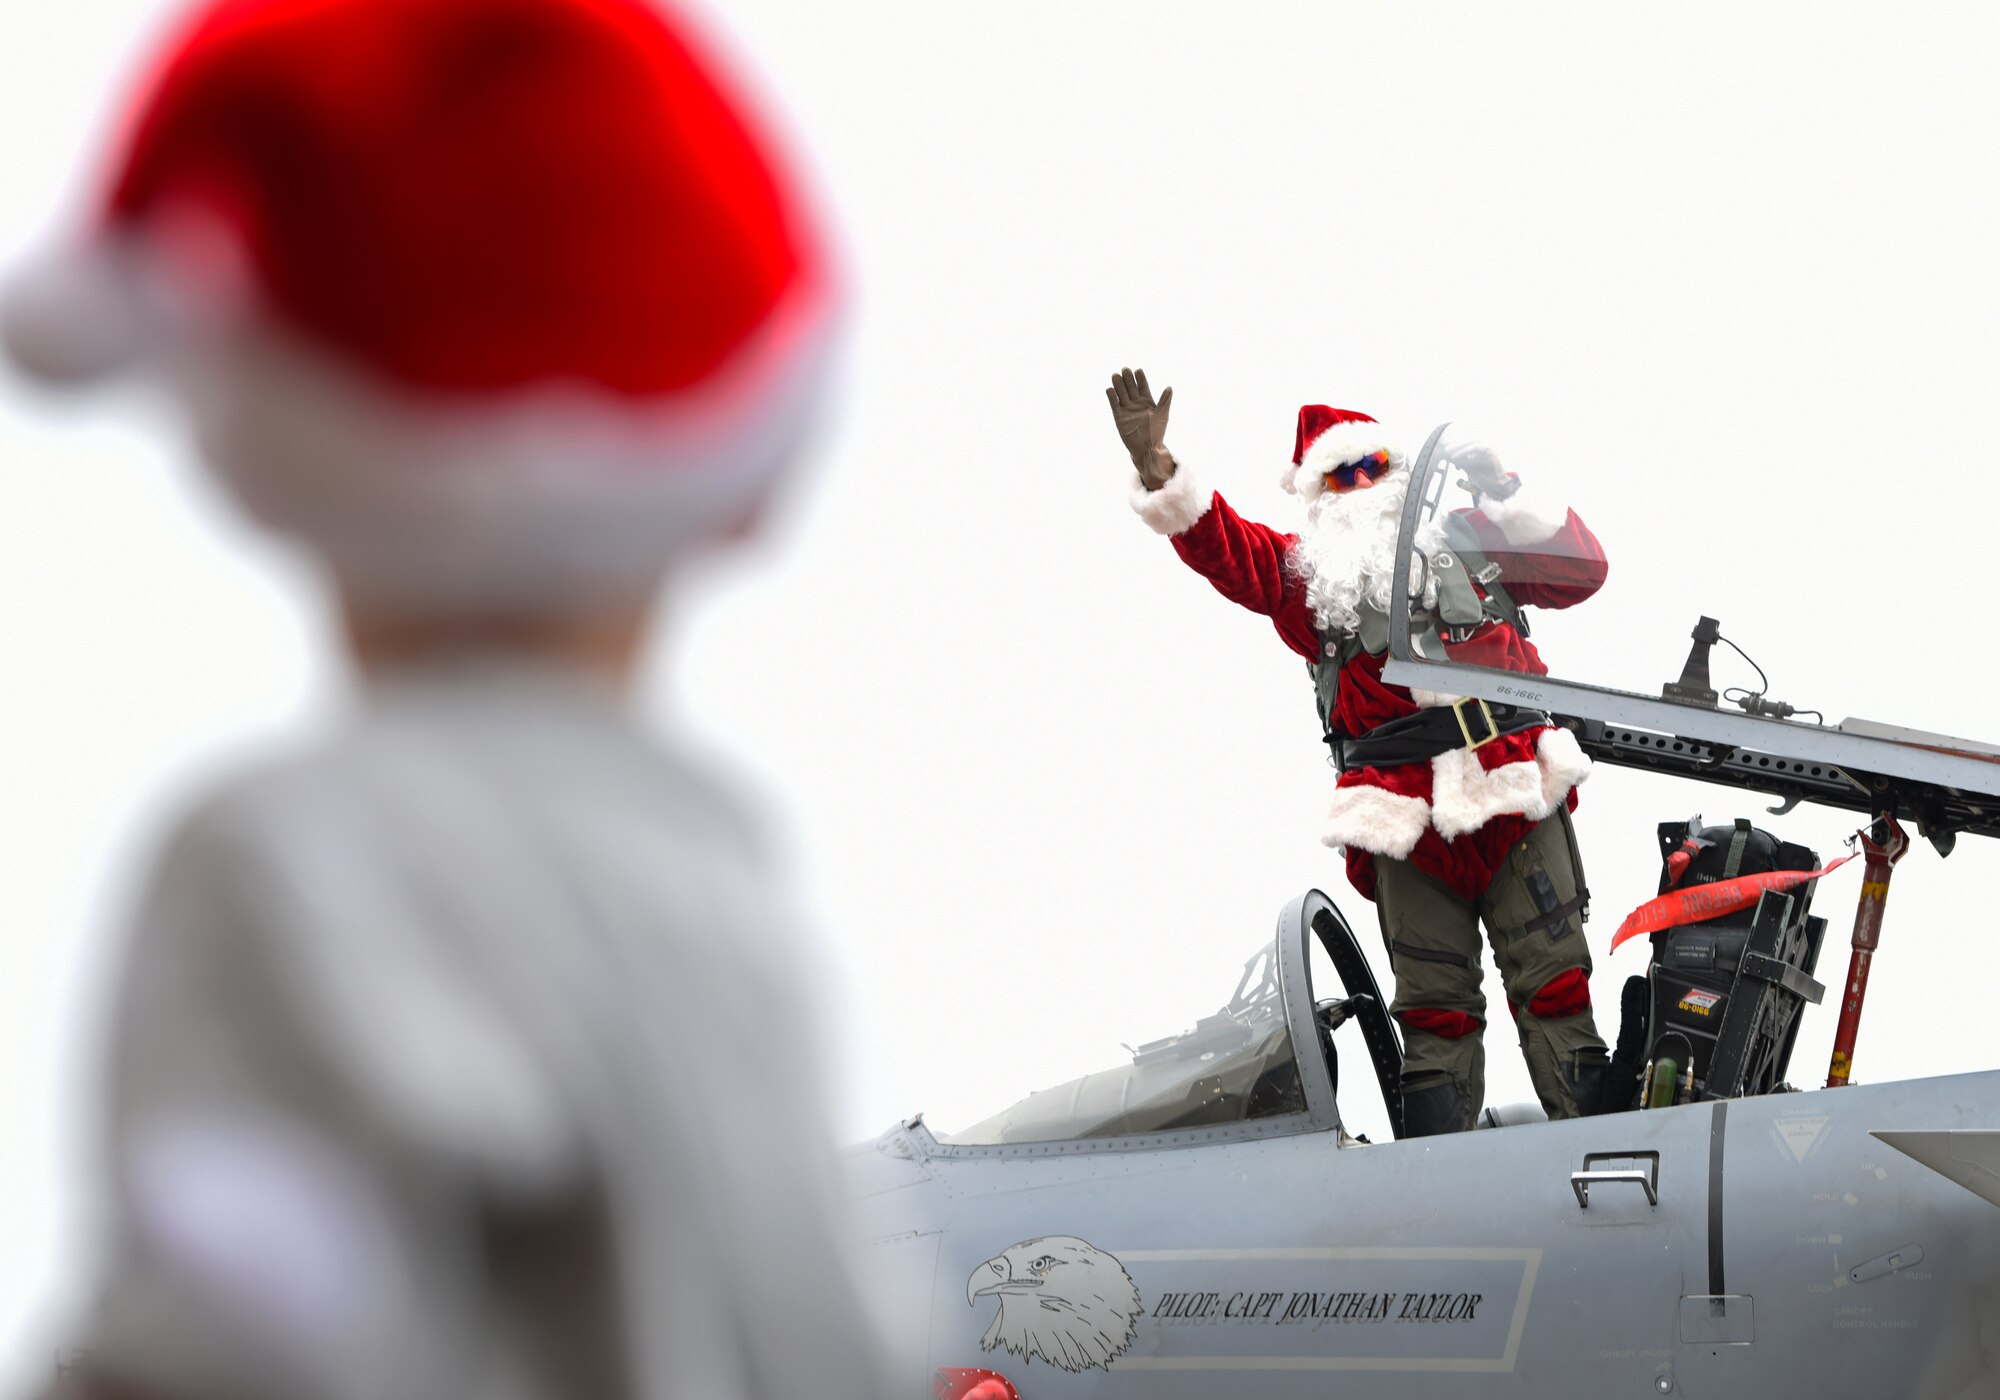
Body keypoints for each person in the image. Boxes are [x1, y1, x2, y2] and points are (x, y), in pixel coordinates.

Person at [1, 2, 886, 1397]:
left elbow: (229, 1339)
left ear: (302, 471)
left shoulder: (277, 859)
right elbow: (827, 1336)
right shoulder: (722, 876)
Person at [1106, 367, 1611, 1137]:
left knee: (1556, 987)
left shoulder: (1473, 543)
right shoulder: (1310, 583)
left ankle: (1612, 1152)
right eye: (1339, 476)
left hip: (1511, 789)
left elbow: (1582, 572)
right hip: (1405, 824)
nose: (1359, 485)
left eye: (1372, 467)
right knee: (1434, 1014)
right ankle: (1436, 1188)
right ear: (1316, 496)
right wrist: (1160, 474)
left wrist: (1501, 488)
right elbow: (1225, 550)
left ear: (1400, 474)